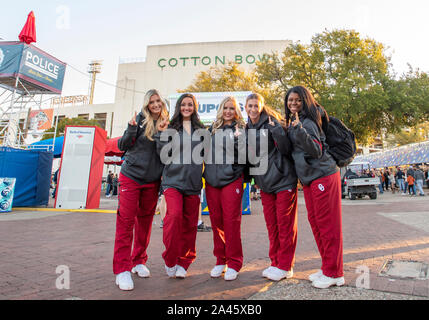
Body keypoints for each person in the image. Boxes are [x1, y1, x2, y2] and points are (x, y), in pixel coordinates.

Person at [285, 85, 344, 289]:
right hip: (311, 179)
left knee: (328, 226)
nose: (293, 103)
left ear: (305, 101)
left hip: (323, 176)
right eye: (290, 100)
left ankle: (335, 273)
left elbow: (316, 150)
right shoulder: (295, 120)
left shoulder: (308, 122)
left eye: (297, 100)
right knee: (317, 223)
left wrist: (299, 130)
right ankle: (327, 266)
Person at [113, 89, 169, 291]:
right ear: (147, 104)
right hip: (131, 176)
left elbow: (165, 155)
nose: (155, 104)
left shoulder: (166, 124)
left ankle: (138, 261)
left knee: (144, 222)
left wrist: (163, 134)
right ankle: (122, 269)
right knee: (126, 221)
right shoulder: (138, 120)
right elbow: (122, 144)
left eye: (158, 101)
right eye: (152, 102)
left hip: (152, 180)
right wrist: (130, 128)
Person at [245, 93, 298, 282]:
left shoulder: (272, 123)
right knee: (272, 226)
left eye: (255, 105)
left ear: (261, 106)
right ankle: (275, 262)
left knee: (285, 225)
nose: (253, 109)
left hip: (283, 180)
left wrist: (277, 132)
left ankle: (285, 266)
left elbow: (285, 149)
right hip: (265, 184)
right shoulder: (247, 127)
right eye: (249, 106)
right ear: (245, 107)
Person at [155, 93, 206, 279]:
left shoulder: (201, 130)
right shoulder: (170, 127)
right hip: (172, 181)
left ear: (195, 107)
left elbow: (207, 156)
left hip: (192, 184)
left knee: (190, 226)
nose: (187, 108)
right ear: (179, 107)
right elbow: (160, 152)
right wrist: (160, 134)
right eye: (183, 104)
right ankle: (170, 258)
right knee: (174, 217)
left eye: (190, 105)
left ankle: (185, 261)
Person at [203, 96, 247, 281]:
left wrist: (235, 171)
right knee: (216, 223)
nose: (228, 111)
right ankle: (221, 260)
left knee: (231, 222)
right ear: (221, 109)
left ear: (236, 111)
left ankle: (234, 262)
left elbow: (246, 156)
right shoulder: (211, 130)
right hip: (212, 182)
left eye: (232, 108)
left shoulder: (241, 130)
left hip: (232, 181)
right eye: (225, 108)